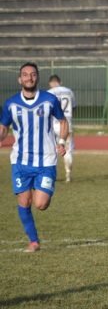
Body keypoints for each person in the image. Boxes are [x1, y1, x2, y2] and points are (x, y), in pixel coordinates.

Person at [0, 62, 68, 253]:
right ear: (19, 79)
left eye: (33, 74)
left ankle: (40, 194)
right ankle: (33, 241)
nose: (29, 78)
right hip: (20, 161)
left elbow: (63, 121)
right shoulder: (11, 104)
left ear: (37, 77)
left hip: (46, 160)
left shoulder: (49, 100)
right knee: (24, 202)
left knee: (41, 204)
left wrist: (62, 142)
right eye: (25, 74)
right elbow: (4, 126)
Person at [47, 74, 77, 182]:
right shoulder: (69, 91)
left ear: (50, 83)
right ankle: (68, 175)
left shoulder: (49, 93)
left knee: (51, 150)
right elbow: (74, 107)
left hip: (52, 125)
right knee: (68, 151)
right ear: (60, 82)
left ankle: (50, 175)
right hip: (66, 124)